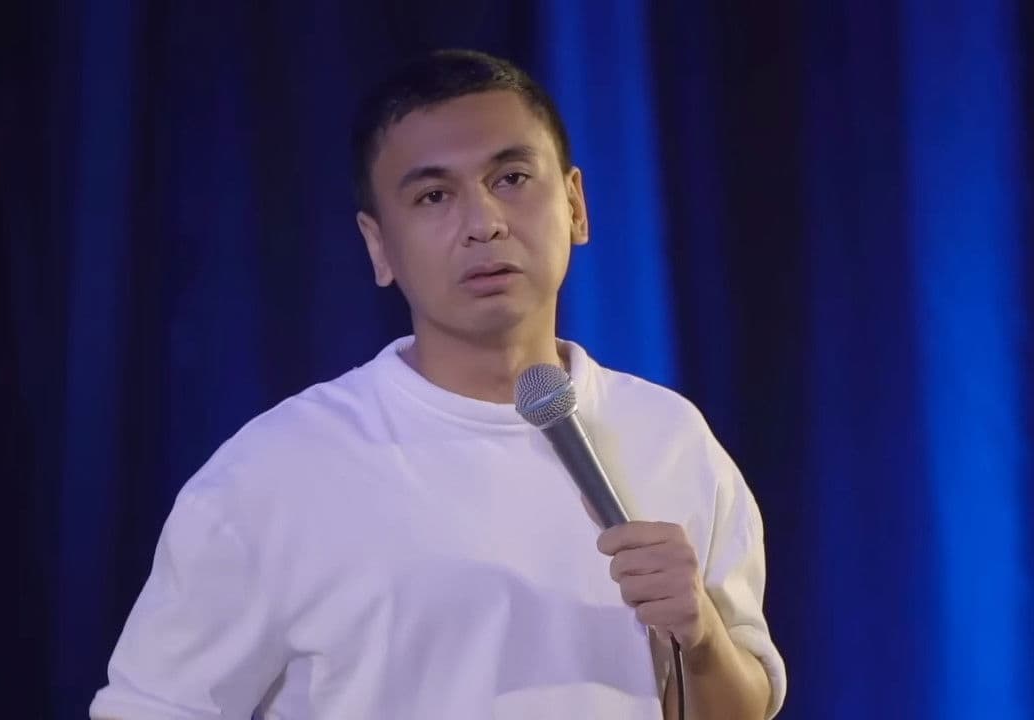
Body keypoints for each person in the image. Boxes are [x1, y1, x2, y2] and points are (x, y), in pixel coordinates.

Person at [90, 48, 786, 720]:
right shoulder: (275, 470)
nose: (484, 223)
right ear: (379, 245)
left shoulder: (669, 436)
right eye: (433, 196)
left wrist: (701, 638)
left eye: (511, 178)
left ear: (576, 205)